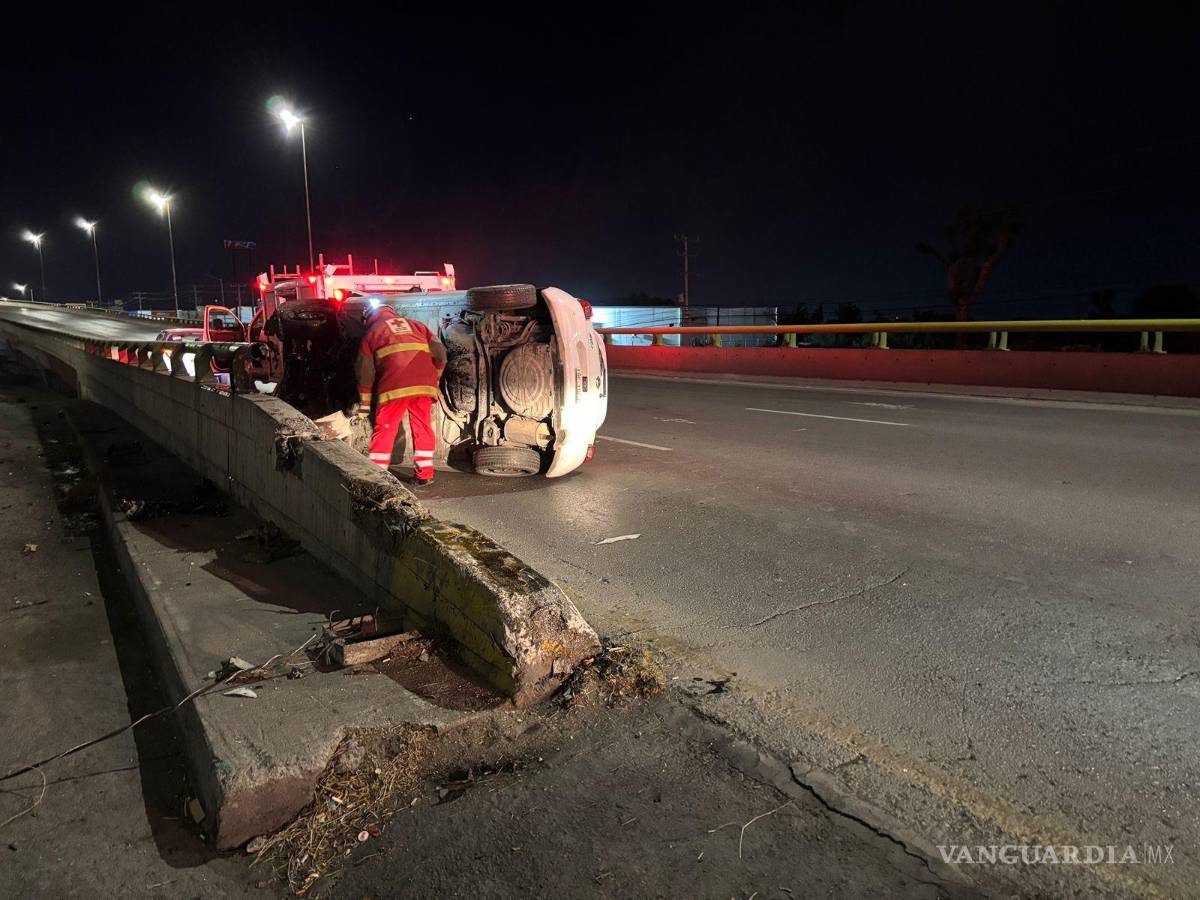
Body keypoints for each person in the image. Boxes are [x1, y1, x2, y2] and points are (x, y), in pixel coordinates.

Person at [354, 304, 447, 484]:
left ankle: (377, 477)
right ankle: (425, 475)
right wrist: (434, 377)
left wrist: (364, 404)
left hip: (394, 386)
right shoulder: (417, 325)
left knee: (386, 429)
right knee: (423, 427)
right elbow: (441, 354)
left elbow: (364, 372)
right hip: (424, 386)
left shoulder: (372, 332)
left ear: (369, 318)